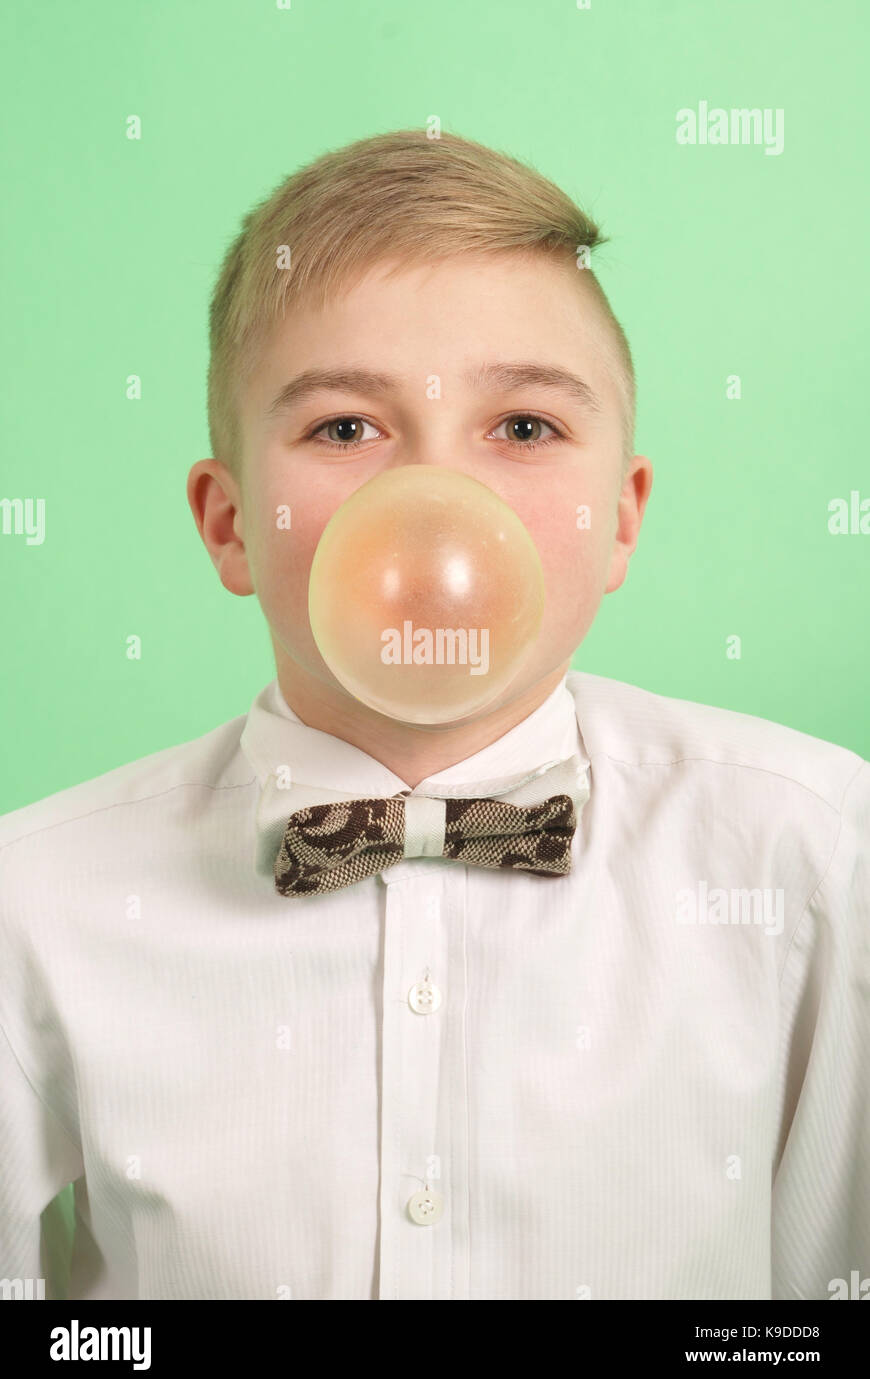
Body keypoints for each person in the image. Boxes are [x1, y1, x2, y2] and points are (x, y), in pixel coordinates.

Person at [1, 129, 866, 1301]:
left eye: (523, 427)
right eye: (345, 427)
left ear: (619, 517)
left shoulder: (817, 857)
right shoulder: (37, 904)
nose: (436, 499)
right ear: (231, 523)